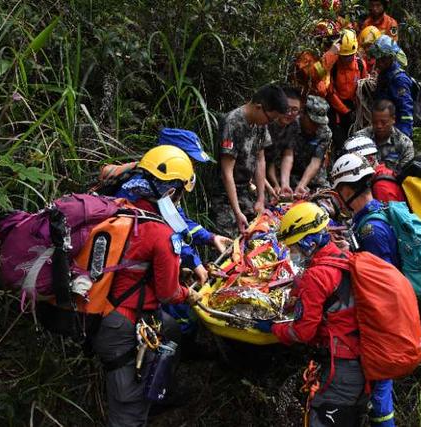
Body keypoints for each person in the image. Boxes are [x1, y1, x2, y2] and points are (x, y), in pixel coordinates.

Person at [92, 145, 203, 427]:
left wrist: (181, 271)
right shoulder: (161, 233)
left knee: (172, 330)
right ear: (170, 192)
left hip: (107, 312)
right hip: (124, 323)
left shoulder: (123, 209)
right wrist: (188, 293)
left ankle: (159, 395)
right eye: (179, 194)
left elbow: (133, 265)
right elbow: (168, 293)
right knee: (129, 409)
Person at [254, 202, 367, 426]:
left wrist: (273, 328)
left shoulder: (316, 276)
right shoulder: (341, 256)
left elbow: (302, 332)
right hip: (361, 356)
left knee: (323, 418)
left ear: (309, 242)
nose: (292, 253)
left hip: (343, 366)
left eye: (294, 247)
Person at [110, 128, 231, 285]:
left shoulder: (161, 186)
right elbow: (165, 233)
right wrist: (193, 263)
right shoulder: (142, 191)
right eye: (190, 160)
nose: (192, 168)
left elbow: (178, 220)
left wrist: (210, 237)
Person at [331, 153, 398, 427]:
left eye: (339, 191)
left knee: (380, 386)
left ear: (347, 189)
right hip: (380, 312)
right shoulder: (369, 216)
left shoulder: (372, 229)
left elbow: (380, 279)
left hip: (381, 316)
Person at [212, 84, 288, 236]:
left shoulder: (260, 123)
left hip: (246, 190)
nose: (269, 123)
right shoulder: (232, 123)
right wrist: (237, 212)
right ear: (259, 107)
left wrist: (260, 198)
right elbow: (227, 173)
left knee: (264, 230)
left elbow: (260, 160)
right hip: (225, 195)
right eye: (270, 119)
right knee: (229, 242)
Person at [327, 28, 368, 148]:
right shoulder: (334, 66)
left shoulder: (360, 64)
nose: (346, 59)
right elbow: (330, 91)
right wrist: (344, 110)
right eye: (343, 57)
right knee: (338, 137)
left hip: (355, 106)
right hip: (337, 106)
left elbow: (363, 86)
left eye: (349, 56)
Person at [367, 36, 414, 139]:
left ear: (391, 58)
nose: (379, 63)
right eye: (378, 59)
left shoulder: (399, 79)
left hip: (394, 130)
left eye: (383, 60)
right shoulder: (384, 74)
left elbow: (405, 109)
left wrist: (403, 136)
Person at [354, 99, 414, 173]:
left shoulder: (404, 144)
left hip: (392, 183)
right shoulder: (358, 140)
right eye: (375, 122)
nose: (379, 126)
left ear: (393, 119)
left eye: (384, 122)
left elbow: (405, 175)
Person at [342, 135, 406, 203]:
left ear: (370, 159)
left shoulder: (381, 185)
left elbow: (391, 212)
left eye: (354, 162)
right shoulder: (381, 174)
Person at [292, 95, 333, 196]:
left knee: (329, 203)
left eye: (319, 123)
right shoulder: (290, 125)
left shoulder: (325, 132)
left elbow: (316, 161)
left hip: (316, 179)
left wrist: (302, 185)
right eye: (313, 122)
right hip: (290, 176)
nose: (316, 126)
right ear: (303, 113)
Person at [266, 87, 303, 199]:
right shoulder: (266, 122)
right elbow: (259, 159)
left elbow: (288, 154)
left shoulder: (294, 125)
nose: (290, 113)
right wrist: (273, 185)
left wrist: (284, 184)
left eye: (295, 109)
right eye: (287, 108)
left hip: (271, 169)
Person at [293, 20, 341, 99]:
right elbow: (317, 73)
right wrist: (332, 53)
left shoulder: (321, 53)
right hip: (306, 98)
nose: (331, 45)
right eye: (330, 42)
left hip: (320, 96)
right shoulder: (306, 56)